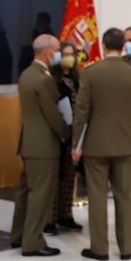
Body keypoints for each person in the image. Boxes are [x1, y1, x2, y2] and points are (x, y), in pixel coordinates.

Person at [72, 27, 131, 261]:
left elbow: (81, 112)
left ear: (103, 46)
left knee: (97, 195)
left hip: (96, 144)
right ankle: (128, 247)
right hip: (127, 143)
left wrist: (77, 144)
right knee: (125, 195)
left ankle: (99, 248)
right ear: (123, 46)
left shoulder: (90, 73)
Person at [10, 34, 69, 256]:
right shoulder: (44, 79)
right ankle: (33, 241)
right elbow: (52, 114)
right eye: (57, 50)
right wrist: (66, 134)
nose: (59, 54)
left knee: (25, 192)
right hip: (44, 146)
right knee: (40, 194)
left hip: (29, 144)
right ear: (47, 53)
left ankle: (18, 235)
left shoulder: (27, 74)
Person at [48, 42, 83, 232]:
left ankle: (65, 214)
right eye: (65, 54)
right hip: (58, 133)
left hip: (74, 134)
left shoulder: (78, 79)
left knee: (70, 175)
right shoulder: (53, 79)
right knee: (56, 177)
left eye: (72, 54)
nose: (69, 58)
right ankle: (50, 218)